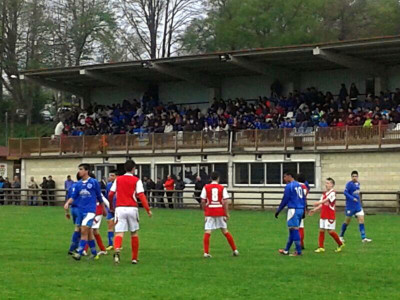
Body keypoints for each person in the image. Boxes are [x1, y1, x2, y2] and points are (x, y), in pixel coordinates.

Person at [108, 160, 152, 264]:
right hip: (132, 208)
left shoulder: (118, 180)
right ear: (133, 169)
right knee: (134, 233)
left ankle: (117, 250)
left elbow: (111, 194)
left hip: (120, 208)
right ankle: (134, 258)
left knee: (119, 232)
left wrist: (111, 205)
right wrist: (148, 209)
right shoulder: (136, 180)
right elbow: (141, 195)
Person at [64, 164, 105, 261]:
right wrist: (67, 203)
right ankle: (94, 253)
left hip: (90, 211)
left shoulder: (93, 182)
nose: (79, 172)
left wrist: (103, 209)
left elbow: (99, 196)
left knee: (83, 230)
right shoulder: (78, 184)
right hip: (80, 211)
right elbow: (73, 197)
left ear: (87, 171)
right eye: (79, 170)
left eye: (81, 169)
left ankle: (79, 252)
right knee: (89, 232)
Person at [201, 171, 239, 258]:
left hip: (210, 210)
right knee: (225, 231)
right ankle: (235, 250)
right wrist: (226, 213)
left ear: (210, 178)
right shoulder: (222, 188)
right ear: (218, 178)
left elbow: (203, 201)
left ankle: (206, 253)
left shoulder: (206, 187)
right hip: (219, 210)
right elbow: (225, 201)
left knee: (208, 231)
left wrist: (205, 211)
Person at [309, 177, 345, 253]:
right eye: (326, 183)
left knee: (330, 231)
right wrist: (315, 210)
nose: (326, 185)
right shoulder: (324, 193)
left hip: (330, 215)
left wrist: (318, 203)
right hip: (323, 214)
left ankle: (340, 243)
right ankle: (321, 247)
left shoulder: (333, 193)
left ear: (332, 185)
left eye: (328, 183)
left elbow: (326, 200)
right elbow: (322, 203)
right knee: (321, 230)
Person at [275, 172, 305, 256]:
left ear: (289, 176)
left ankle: (298, 251)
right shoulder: (299, 186)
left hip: (293, 209)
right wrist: (304, 210)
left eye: (285, 176)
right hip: (300, 209)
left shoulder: (289, 186)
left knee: (294, 229)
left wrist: (278, 210)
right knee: (292, 230)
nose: (284, 179)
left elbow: (285, 199)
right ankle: (286, 250)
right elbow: (303, 198)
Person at [339, 171, 372, 243]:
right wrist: (352, 198)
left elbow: (357, 193)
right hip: (350, 206)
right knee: (347, 221)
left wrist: (358, 201)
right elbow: (345, 192)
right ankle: (341, 236)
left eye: (355, 176)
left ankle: (364, 238)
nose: (354, 178)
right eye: (353, 176)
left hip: (357, 206)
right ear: (351, 177)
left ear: (357, 177)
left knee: (361, 220)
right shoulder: (349, 184)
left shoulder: (358, 184)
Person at [296, 173, 309, 249]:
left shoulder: (295, 186)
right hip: (302, 207)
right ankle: (301, 243)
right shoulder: (305, 187)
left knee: (295, 226)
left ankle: (298, 243)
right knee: (301, 225)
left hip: (295, 208)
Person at [105, 170, 117, 251]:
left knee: (118, 227)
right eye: (110, 175)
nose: (110, 177)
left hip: (118, 208)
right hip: (110, 208)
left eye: (112, 175)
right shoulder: (108, 185)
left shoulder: (120, 185)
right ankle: (110, 243)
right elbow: (106, 196)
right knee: (110, 225)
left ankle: (117, 244)